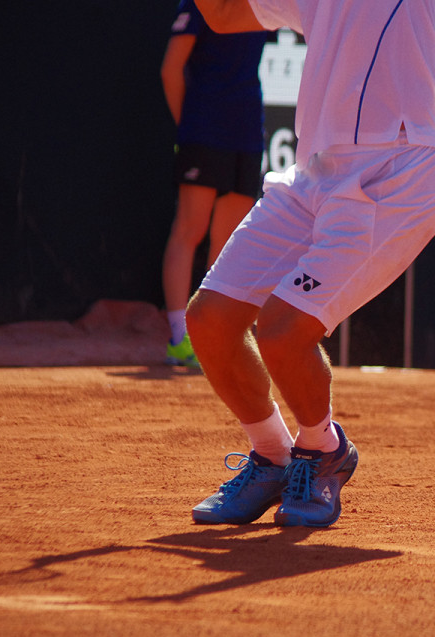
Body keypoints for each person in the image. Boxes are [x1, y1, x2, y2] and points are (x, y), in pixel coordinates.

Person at [185, 0, 435, 528]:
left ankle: (323, 449)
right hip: (313, 177)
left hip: (399, 174)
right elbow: (219, 13)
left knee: (283, 330)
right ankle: (271, 456)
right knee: (210, 321)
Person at [160, 0, 267, 368]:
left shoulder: (263, 4)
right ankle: (180, 338)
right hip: (204, 129)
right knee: (190, 229)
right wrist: (187, 130)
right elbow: (170, 69)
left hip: (248, 131)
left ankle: (217, 337)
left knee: (229, 244)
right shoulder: (199, 3)